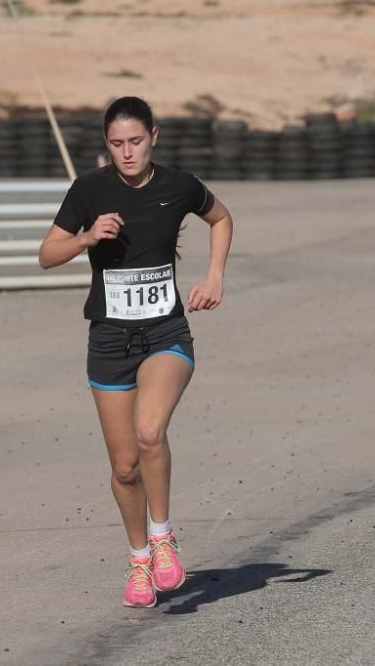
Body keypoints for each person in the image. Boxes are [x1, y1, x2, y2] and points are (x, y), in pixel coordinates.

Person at [38, 96, 233, 608]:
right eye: (117, 144)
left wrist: (214, 275)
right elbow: (46, 255)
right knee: (125, 467)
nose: (127, 152)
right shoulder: (89, 190)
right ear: (107, 145)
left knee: (151, 432)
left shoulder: (179, 186)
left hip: (165, 333)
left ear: (154, 136)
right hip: (108, 339)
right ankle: (140, 559)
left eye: (136, 141)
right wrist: (85, 237)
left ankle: (164, 536)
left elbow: (221, 218)